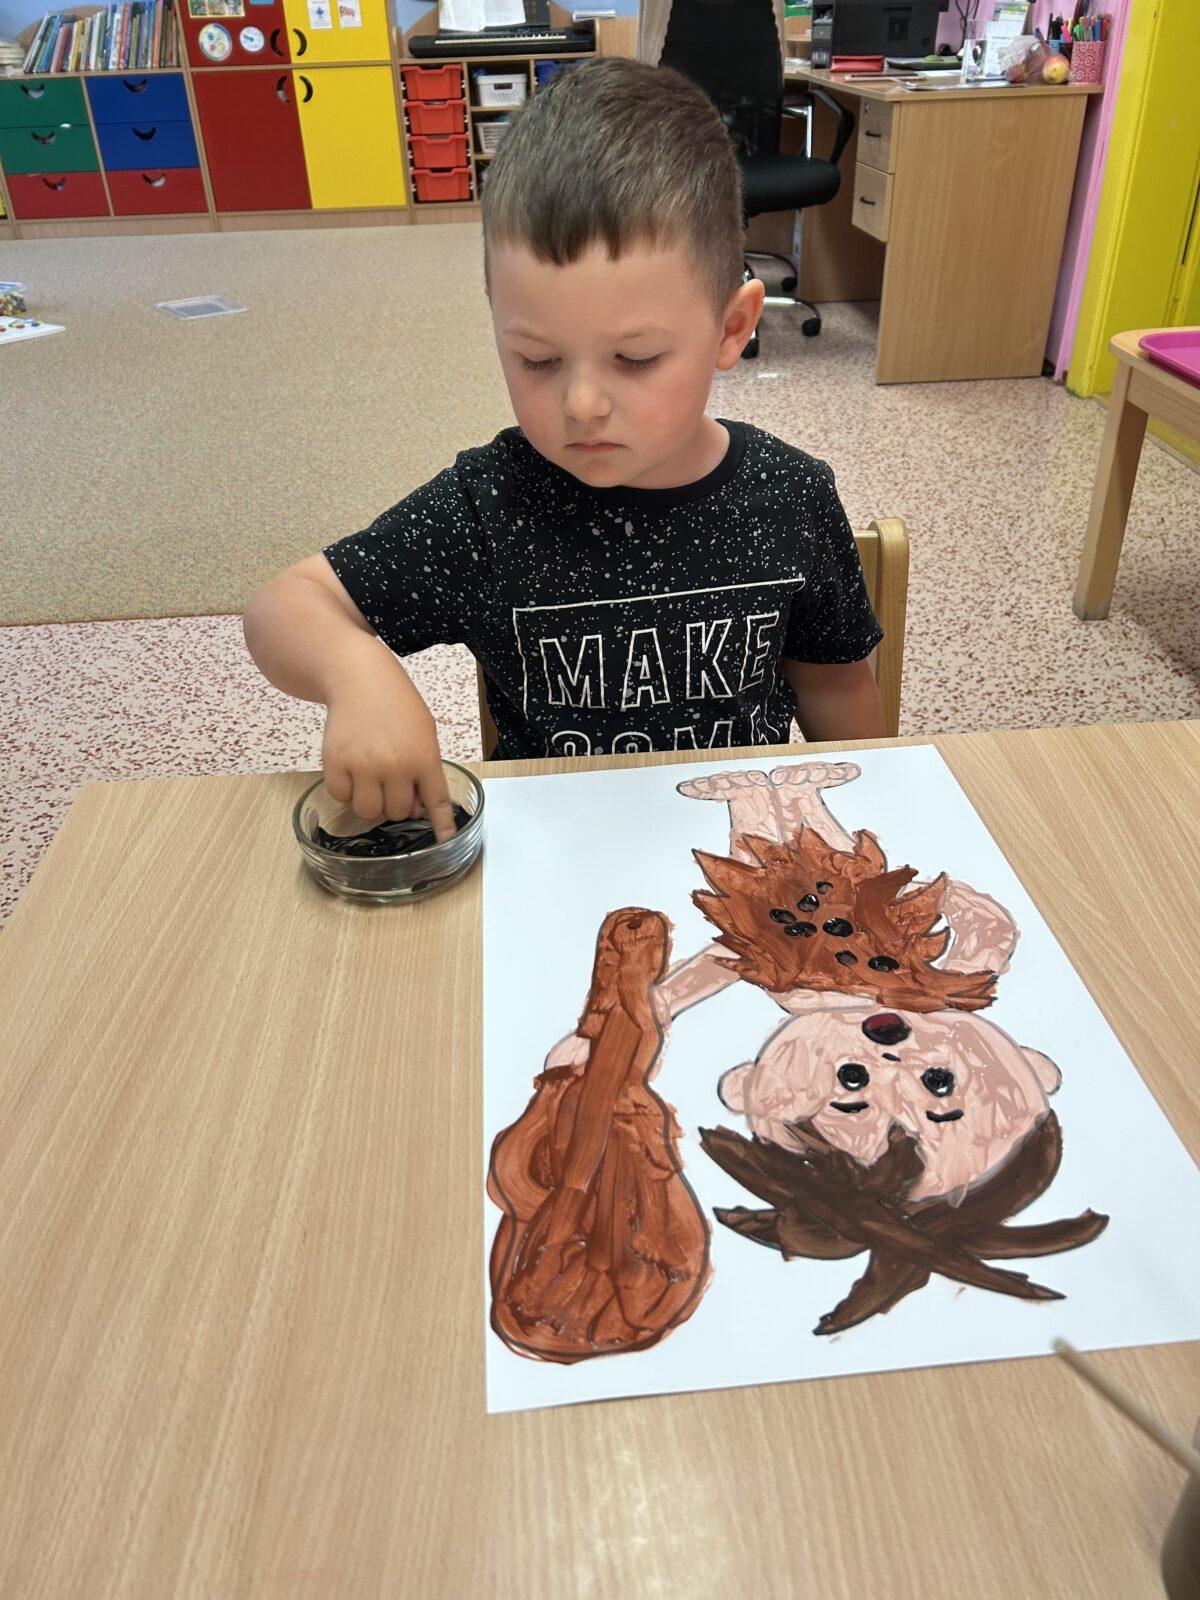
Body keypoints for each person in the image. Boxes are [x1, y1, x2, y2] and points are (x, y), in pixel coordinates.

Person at [243, 57, 885, 842]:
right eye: (538, 360)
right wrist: (355, 673)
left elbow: (835, 693)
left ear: (732, 328)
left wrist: (874, 824)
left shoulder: (791, 494)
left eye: (636, 359)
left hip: (749, 856)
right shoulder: (487, 505)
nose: (582, 404)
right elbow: (284, 608)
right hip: (553, 864)